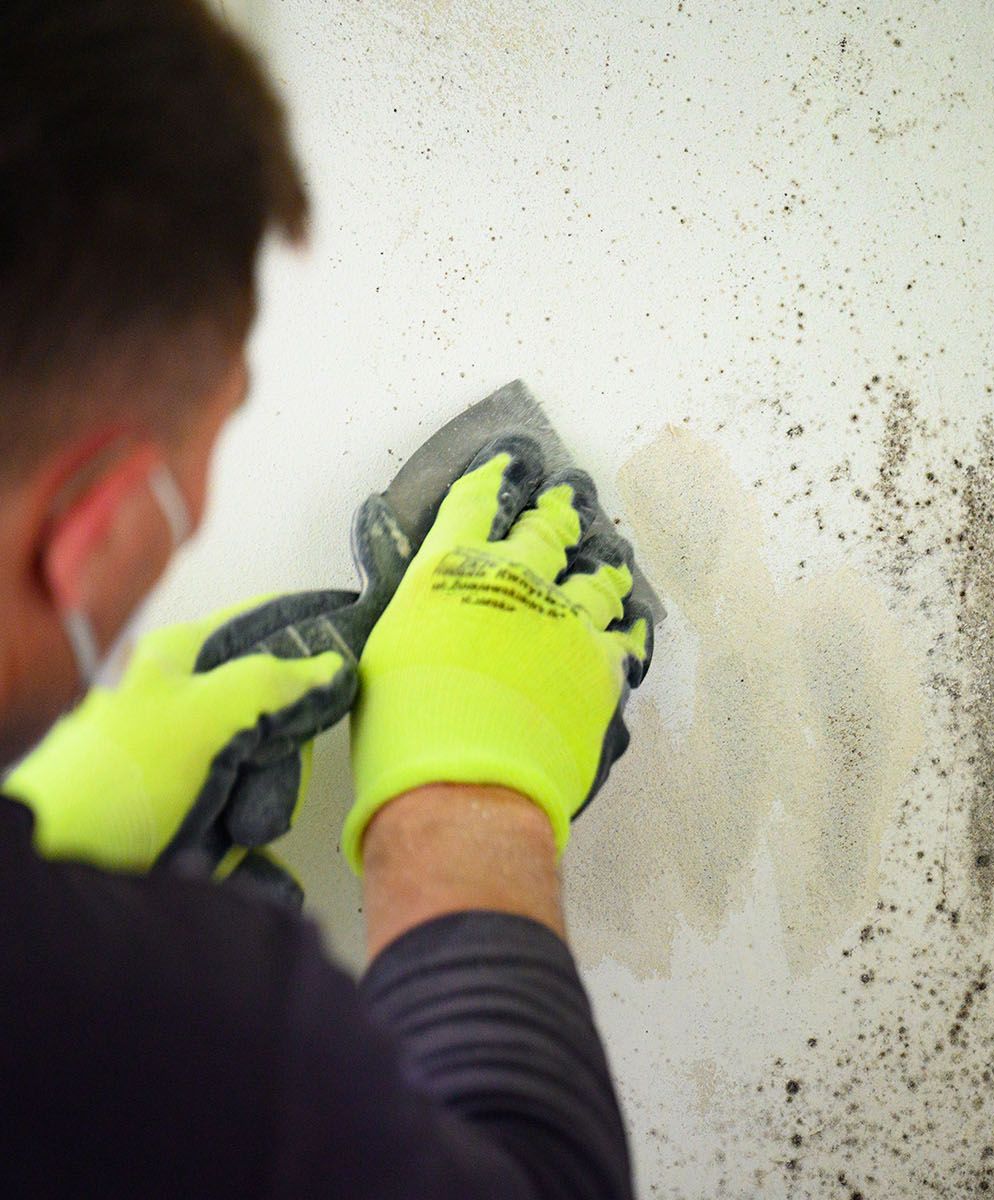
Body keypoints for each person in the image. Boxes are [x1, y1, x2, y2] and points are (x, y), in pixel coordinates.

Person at [0, 2, 642, 1196]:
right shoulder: (176, 1036)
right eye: (216, 431)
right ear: (93, 532)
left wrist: (43, 829)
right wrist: (459, 813)